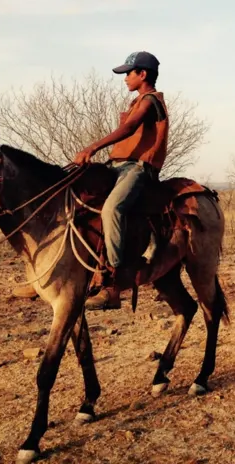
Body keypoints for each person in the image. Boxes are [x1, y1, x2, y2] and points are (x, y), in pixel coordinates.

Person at [73, 51, 169, 310]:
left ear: (143, 74)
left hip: (137, 169)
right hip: (118, 167)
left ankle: (113, 285)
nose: (125, 78)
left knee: (112, 209)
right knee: (79, 197)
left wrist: (92, 148)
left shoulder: (150, 101)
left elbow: (128, 130)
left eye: (129, 73)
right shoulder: (136, 102)